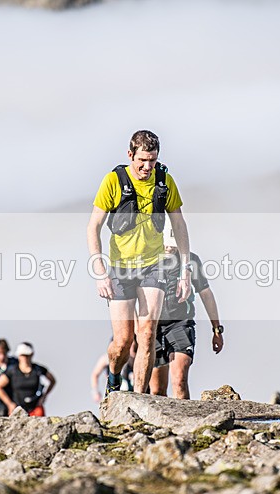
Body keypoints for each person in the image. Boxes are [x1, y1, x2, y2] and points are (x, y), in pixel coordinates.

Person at [87, 130, 193, 396]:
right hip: (120, 268)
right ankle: (113, 378)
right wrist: (100, 272)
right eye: (142, 161)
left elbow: (179, 223)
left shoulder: (164, 181)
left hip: (153, 265)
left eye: (153, 161)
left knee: (147, 333)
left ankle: (138, 398)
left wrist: (185, 270)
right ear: (130, 155)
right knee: (123, 341)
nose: (147, 167)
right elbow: (93, 227)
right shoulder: (113, 181)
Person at [149, 221, 224, 399]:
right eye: (165, 245)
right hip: (153, 327)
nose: (168, 249)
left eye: (172, 246)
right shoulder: (148, 260)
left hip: (181, 324)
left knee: (179, 380)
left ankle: (186, 424)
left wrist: (216, 329)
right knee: (156, 390)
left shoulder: (191, 260)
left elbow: (206, 294)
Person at [0, 342, 56, 416]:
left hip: (35, 409)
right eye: (23, 355)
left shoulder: (38, 369)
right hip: (18, 409)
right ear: (19, 356)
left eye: (27, 355)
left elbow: (52, 380)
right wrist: (9, 404)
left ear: (32, 354)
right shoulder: (12, 371)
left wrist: (44, 396)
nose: (25, 358)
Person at [89, 336, 136, 403]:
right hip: (113, 390)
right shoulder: (105, 359)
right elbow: (95, 374)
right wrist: (95, 391)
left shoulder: (132, 358)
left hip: (129, 389)